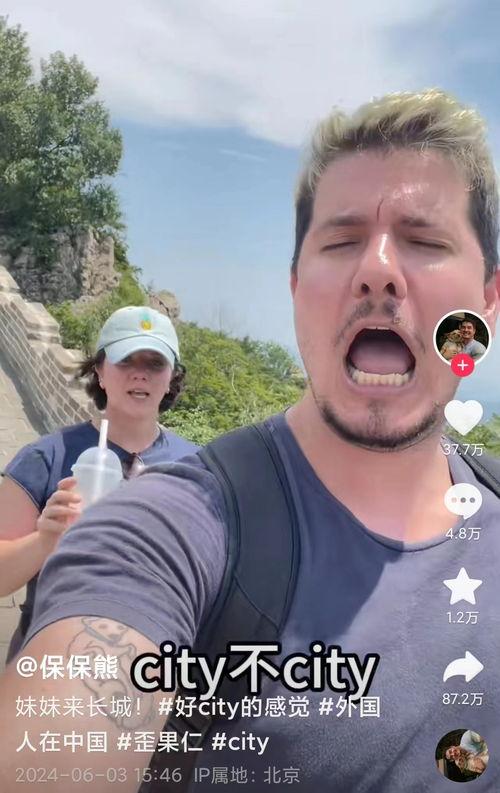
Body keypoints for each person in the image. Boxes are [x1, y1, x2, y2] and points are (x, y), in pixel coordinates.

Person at [1, 88, 500, 793]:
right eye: (341, 241)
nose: (378, 268)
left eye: (425, 241)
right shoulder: (175, 525)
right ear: (296, 288)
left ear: (487, 301)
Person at [0, 305, 197, 660]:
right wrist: (45, 541)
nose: (140, 374)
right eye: (126, 360)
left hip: (147, 666)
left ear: (171, 378)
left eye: (155, 364)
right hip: (52, 659)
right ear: (100, 372)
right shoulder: (48, 456)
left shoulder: (196, 468)